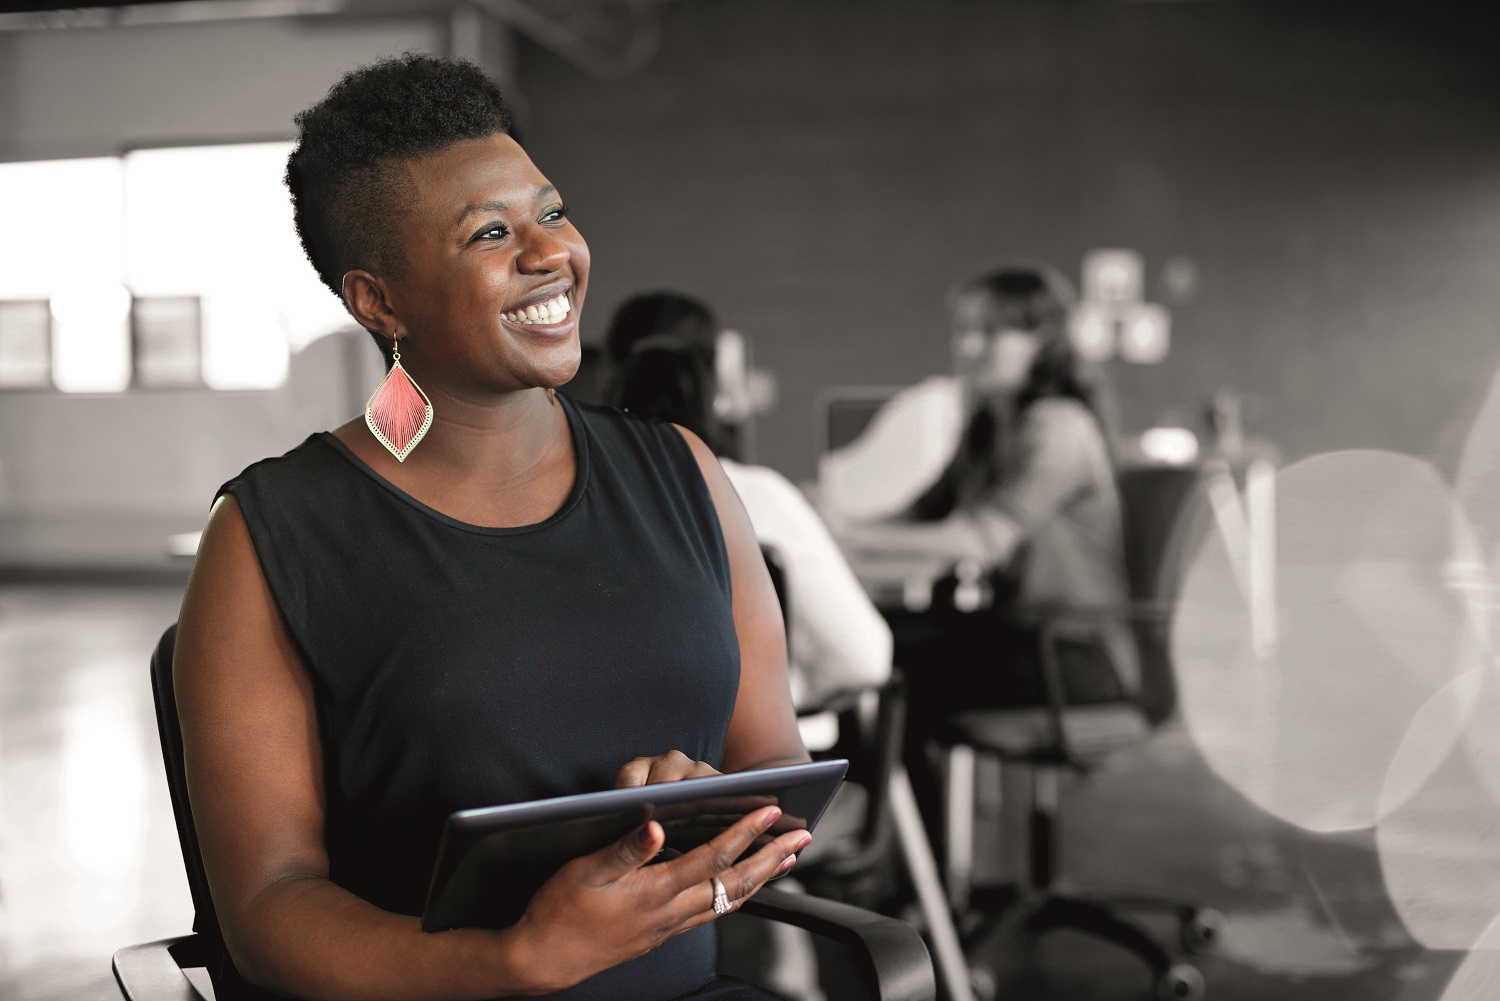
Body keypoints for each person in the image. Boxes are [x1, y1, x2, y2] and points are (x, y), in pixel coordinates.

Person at [174, 55, 812, 1001]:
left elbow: (778, 764)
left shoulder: (684, 472)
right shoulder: (270, 537)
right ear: (377, 301)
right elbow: (267, 906)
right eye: (489, 233)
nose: (550, 252)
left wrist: (705, 804)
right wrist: (513, 960)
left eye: (551, 213)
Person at [836, 260, 1136, 724]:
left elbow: (981, 539)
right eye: (962, 330)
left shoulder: (1059, 427)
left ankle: (892, 799)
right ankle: (895, 798)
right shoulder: (989, 424)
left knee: (885, 661)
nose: (967, 346)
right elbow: (922, 517)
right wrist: (829, 535)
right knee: (866, 642)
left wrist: (847, 537)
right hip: (1017, 632)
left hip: (1074, 654)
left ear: (1044, 338)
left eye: (990, 332)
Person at [603, 292, 893, 712]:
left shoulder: (561, 500)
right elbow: (865, 659)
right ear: (714, 379)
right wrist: (782, 690)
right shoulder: (755, 497)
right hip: (760, 762)